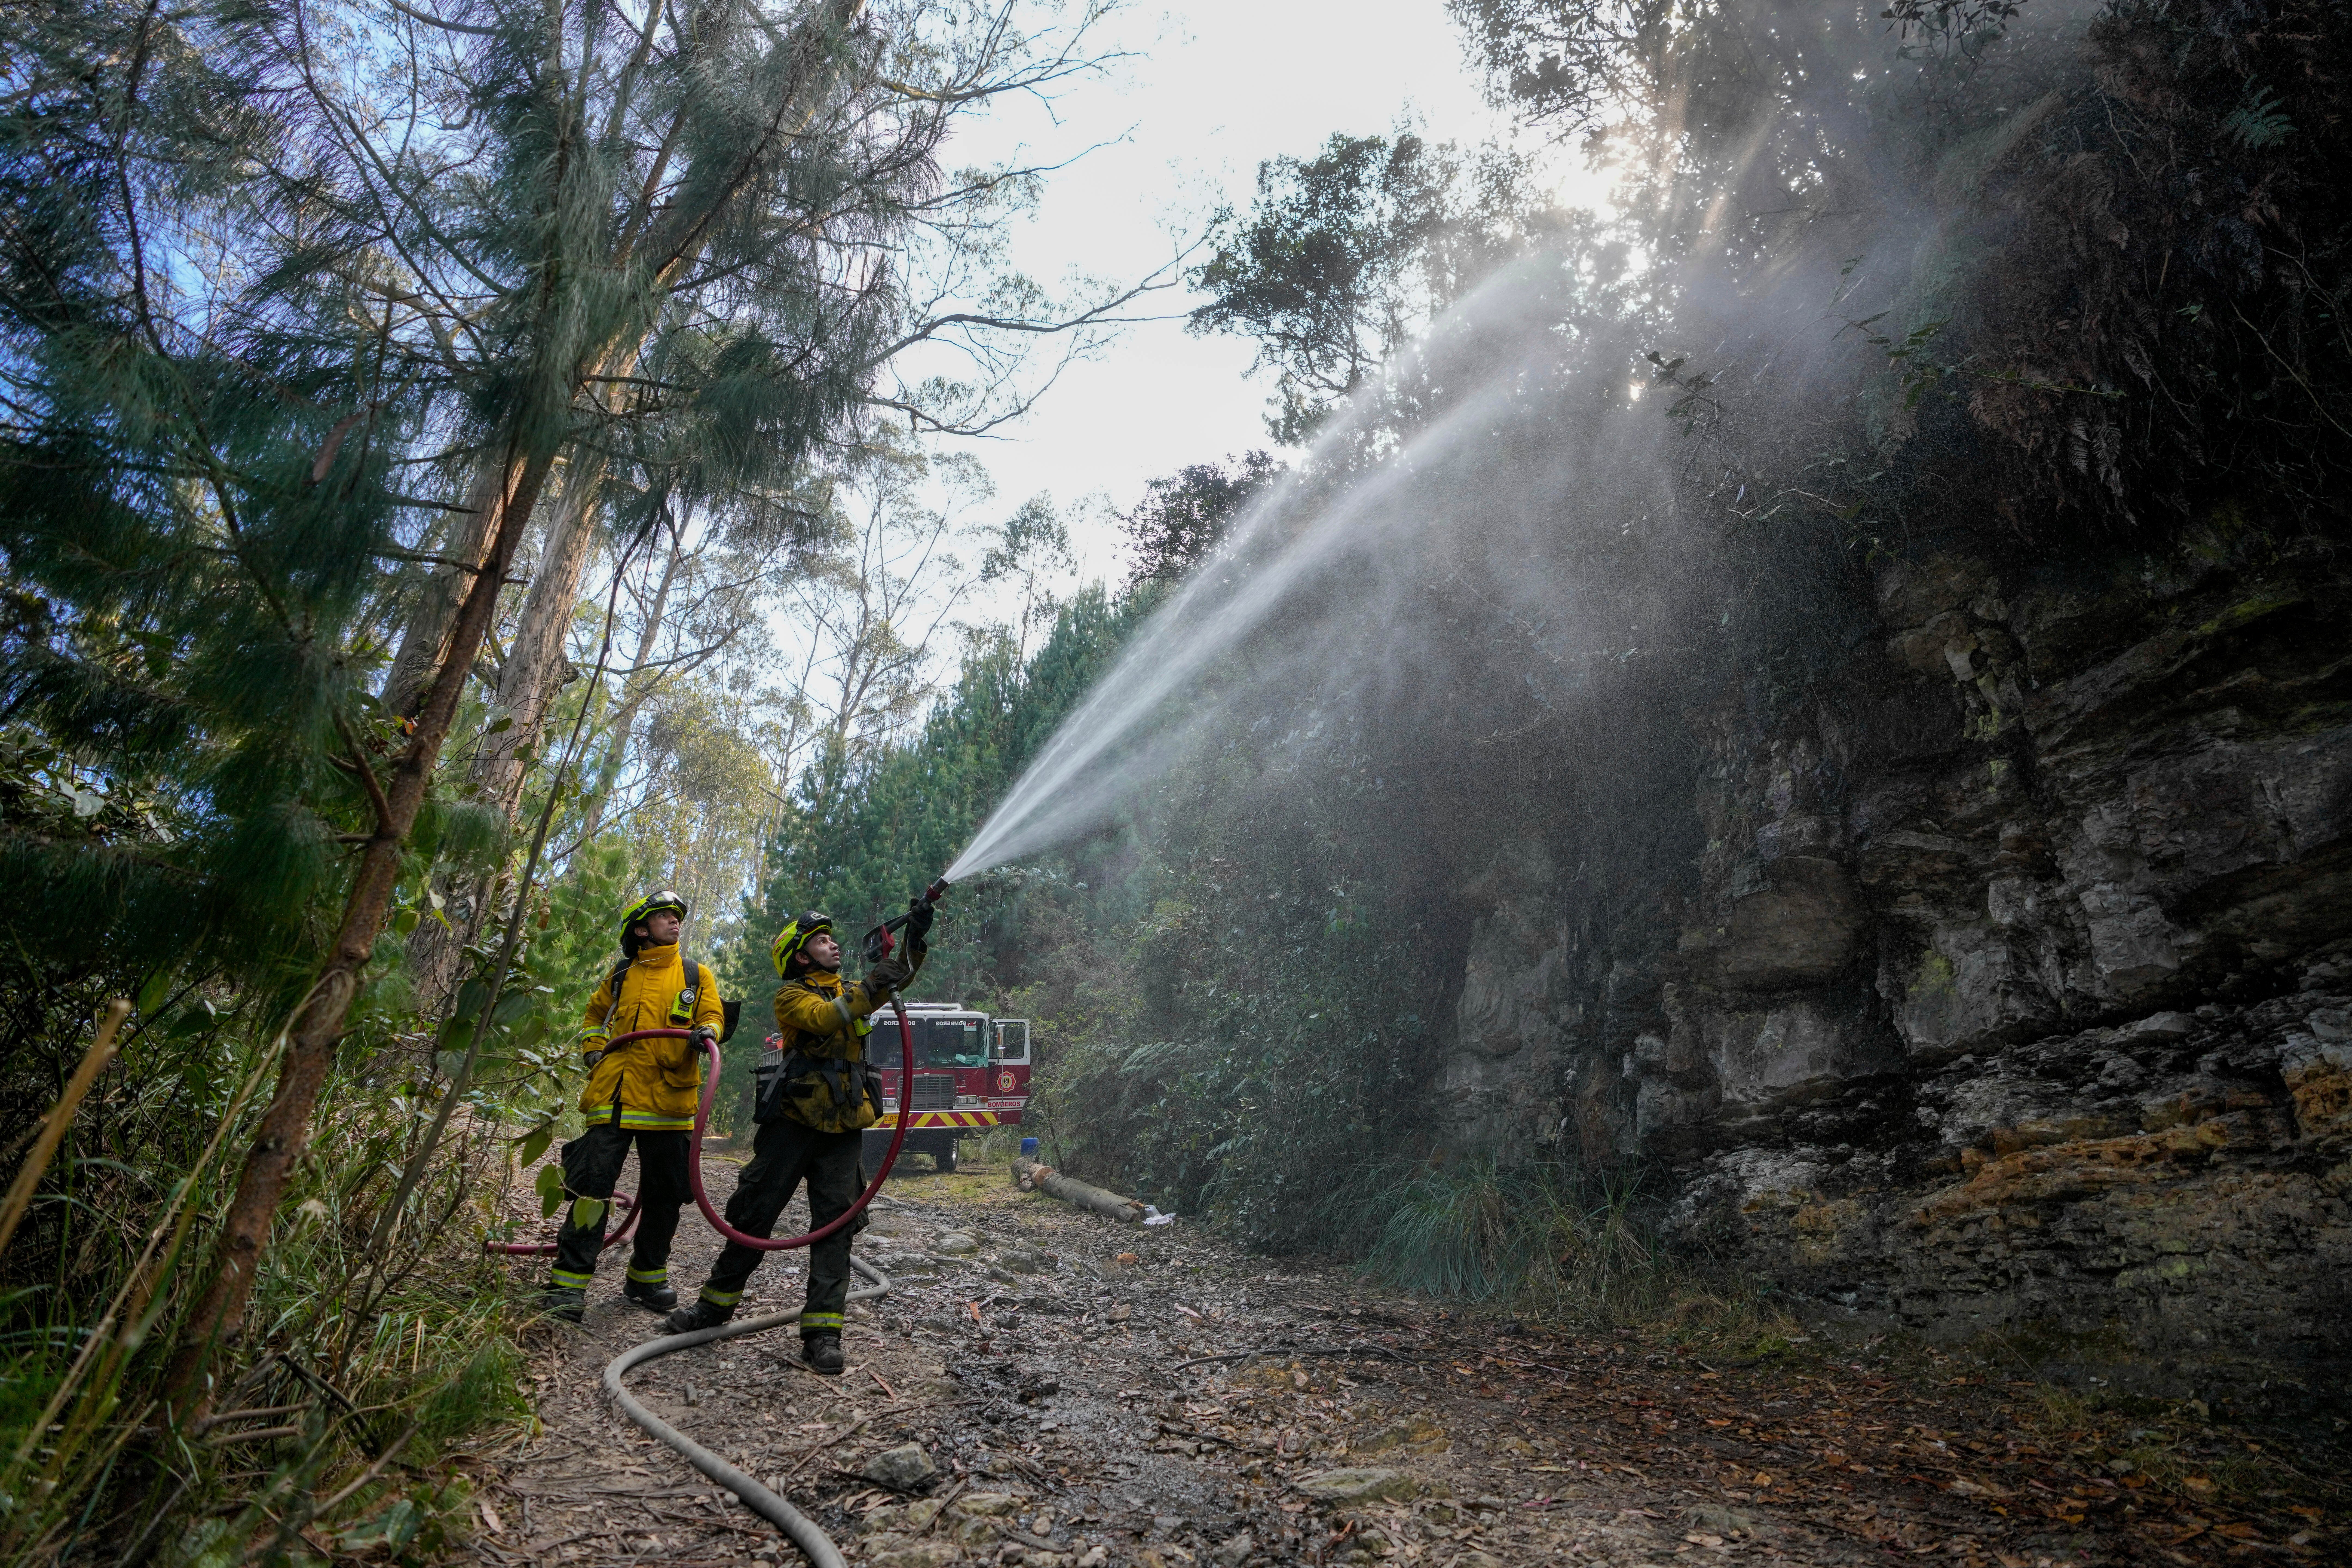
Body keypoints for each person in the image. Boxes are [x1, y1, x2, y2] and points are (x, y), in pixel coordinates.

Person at [659, 898, 930, 1373]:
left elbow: (898, 976)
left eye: (833, 938)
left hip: (844, 1124)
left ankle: (823, 1335)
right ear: (802, 957)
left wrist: (916, 938)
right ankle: (715, 1306)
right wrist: (873, 984)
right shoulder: (793, 997)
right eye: (824, 941)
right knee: (755, 1211)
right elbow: (829, 1018)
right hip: (794, 1122)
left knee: (836, 1226)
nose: (835, 944)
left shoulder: (853, 987)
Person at [540, 890, 726, 1325]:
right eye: (665, 917)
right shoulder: (623, 973)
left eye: (678, 917)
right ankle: (568, 1284)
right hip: (616, 1101)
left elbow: (713, 1014)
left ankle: (646, 1276)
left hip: (669, 1102)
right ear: (642, 929)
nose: (675, 923)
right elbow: (593, 1014)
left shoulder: (696, 975)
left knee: (666, 1195)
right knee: (593, 1190)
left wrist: (707, 1032)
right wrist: (594, 1049)